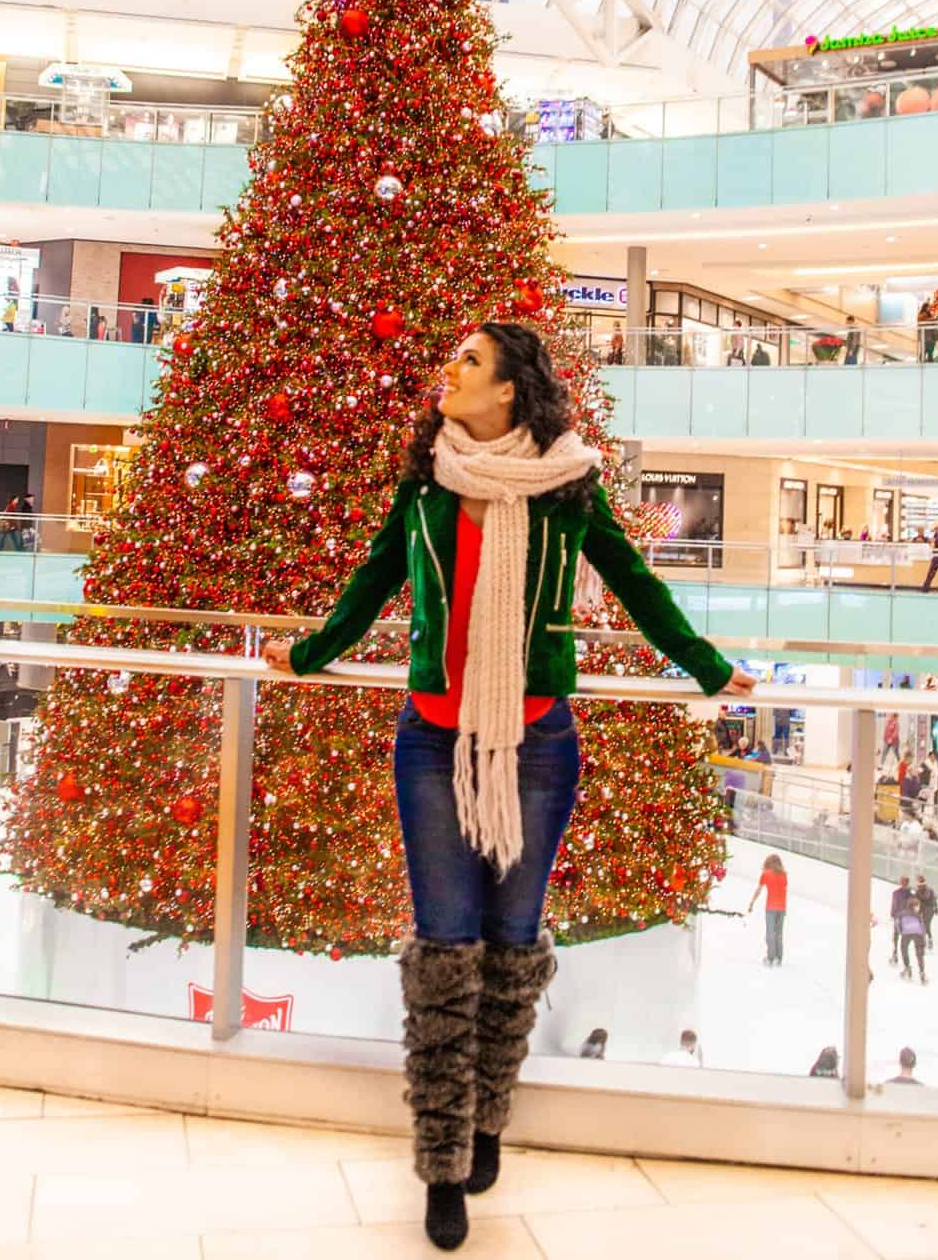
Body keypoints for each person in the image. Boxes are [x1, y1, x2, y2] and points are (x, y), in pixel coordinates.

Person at [260, 322, 755, 1252]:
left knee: (512, 940)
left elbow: (633, 579)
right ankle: (443, 1161)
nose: (450, 372)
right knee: (445, 946)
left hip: (536, 746)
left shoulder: (568, 487)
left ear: (511, 395)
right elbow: (374, 580)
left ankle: (490, 1115)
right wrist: (312, 651)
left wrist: (702, 663)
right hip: (431, 741)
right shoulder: (427, 482)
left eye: (470, 363)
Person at [749, 853, 788, 966]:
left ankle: (770, 958)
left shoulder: (766, 874)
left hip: (771, 907)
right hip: (782, 907)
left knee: (770, 933)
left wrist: (752, 902)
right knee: (779, 933)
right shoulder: (784, 875)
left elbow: (759, 890)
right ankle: (779, 958)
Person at [899, 883, 929, 985]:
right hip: (918, 934)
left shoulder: (902, 913)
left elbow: (898, 923)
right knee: (919, 954)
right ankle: (922, 972)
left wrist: (901, 932)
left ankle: (907, 967)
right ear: (914, 906)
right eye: (917, 906)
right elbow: (922, 927)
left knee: (904, 949)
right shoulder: (918, 915)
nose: (919, 908)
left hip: (906, 934)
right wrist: (924, 940)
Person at [889, 875, 911, 965]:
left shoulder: (896, 893)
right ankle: (906, 963)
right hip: (906, 918)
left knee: (895, 936)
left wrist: (892, 914)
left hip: (898, 918)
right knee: (904, 940)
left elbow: (894, 905)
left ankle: (895, 955)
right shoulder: (911, 895)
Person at [916, 872, 938, 951]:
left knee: (926, 925)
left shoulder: (925, 890)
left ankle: (926, 941)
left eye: (918, 882)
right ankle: (928, 940)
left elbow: (927, 898)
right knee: (925, 925)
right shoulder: (919, 890)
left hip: (929, 910)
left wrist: (936, 908)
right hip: (925, 910)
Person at [917, 299, 937, 364]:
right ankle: (923, 362)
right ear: (925, 307)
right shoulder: (922, 314)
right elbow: (921, 321)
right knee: (924, 351)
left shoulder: (930, 314)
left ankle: (929, 362)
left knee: (930, 351)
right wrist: (931, 320)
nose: (930, 308)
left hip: (931, 336)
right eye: (929, 307)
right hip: (925, 336)